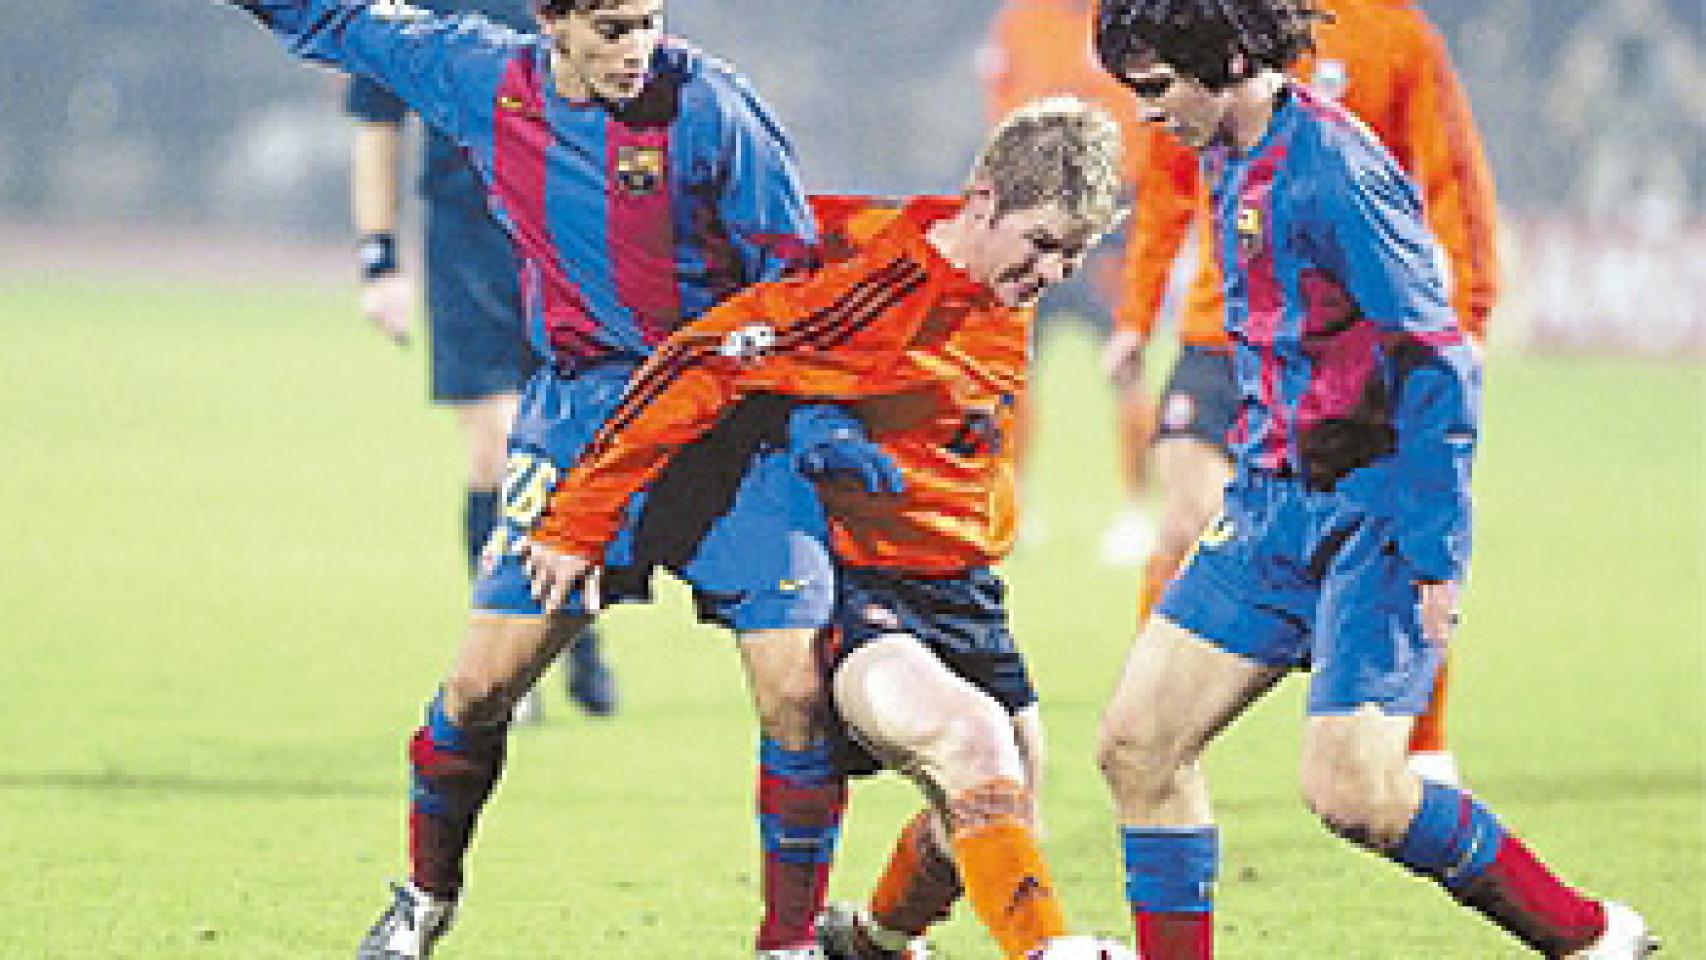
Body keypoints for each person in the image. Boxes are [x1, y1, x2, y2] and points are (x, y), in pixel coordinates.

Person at [227, 1, 861, 956]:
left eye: (649, 18)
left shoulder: (717, 109)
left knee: (798, 693)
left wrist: (814, 426)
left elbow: (799, 284)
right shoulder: (482, 76)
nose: (637, 46)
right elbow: (338, 19)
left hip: (730, 428)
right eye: (611, 26)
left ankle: (790, 940)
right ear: (552, 21)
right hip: (577, 427)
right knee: (481, 686)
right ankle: (424, 899)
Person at [1089, 2, 1655, 958]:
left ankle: (1589, 935)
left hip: (1375, 513)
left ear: (1225, 60)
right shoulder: (1223, 147)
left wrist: (1432, 554)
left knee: (1354, 794)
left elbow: (1439, 364)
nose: (1145, 113)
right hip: (1270, 508)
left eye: (1154, 88)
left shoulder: (1338, 173)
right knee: (1137, 747)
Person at [519, 98, 1129, 960]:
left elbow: (815, 230)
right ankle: (1048, 951)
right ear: (984, 199)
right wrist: (582, 515)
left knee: (995, 816)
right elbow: (704, 356)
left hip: (969, 590)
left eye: (1075, 253)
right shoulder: (882, 282)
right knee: (974, 747)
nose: (1055, 272)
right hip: (870, 591)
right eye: (1043, 245)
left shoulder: (989, 274)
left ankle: (873, 942)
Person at [1109, 0, 1501, 787]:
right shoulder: (1200, 29)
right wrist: (1135, 312)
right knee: (1189, 513)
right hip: (1223, 335)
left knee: (1375, 526)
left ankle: (1414, 738)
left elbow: (1450, 172)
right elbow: (1165, 187)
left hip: (1335, 338)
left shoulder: (1392, 37)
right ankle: (1172, 729)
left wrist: (1468, 311)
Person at [343, 0, 614, 722]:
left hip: (568, 248)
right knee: (497, 456)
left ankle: (572, 638)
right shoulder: (416, 9)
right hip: (468, 251)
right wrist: (379, 258)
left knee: (573, 455)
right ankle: (501, 661)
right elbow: (377, 123)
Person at [978, 0, 1159, 564]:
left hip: (1110, 213)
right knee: (1015, 365)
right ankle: (1015, 502)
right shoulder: (1023, 19)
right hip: (1033, 214)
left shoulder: (1131, 18)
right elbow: (1002, 107)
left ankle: (1137, 509)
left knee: (1124, 361)